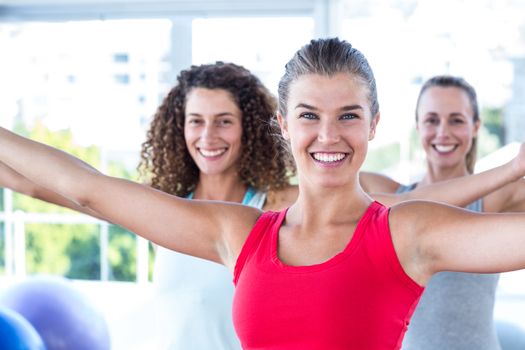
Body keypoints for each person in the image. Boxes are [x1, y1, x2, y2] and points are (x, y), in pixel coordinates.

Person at [2, 38, 525, 350]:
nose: (327, 136)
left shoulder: (408, 231)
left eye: (348, 115)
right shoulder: (237, 232)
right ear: (281, 124)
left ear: (374, 125)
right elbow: (90, 190)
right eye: (308, 116)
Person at [360, 75, 525, 350]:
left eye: (456, 120)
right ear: (418, 126)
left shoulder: (496, 197)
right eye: (432, 120)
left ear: (476, 127)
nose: (443, 132)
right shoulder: (389, 195)